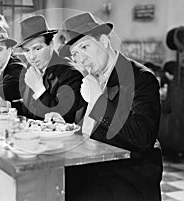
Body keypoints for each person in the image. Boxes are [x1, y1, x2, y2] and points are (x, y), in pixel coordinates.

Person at [60, 12, 162, 201]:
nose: (80, 59)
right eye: (75, 54)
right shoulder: (90, 78)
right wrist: (65, 126)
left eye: (85, 47)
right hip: (89, 175)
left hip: (126, 180)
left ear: (105, 41)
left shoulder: (141, 78)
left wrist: (98, 101)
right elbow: (88, 131)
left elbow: (143, 137)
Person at [15, 15, 87, 124]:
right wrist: (9, 105)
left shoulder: (70, 73)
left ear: (51, 44)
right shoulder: (30, 69)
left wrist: (39, 89)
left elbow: (64, 117)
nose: (31, 56)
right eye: (27, 50)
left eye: (37, 48)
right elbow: (30, 109)